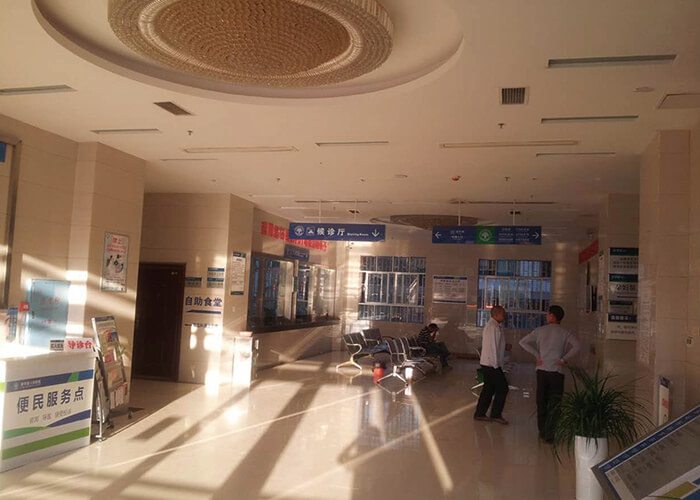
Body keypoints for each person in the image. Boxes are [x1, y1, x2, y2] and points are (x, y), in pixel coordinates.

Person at [519, 305, 580, 442]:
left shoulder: (540, 330)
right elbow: (577, 346)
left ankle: (542, 430)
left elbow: (522, 342)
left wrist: (537, 355)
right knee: (555, 403)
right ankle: (550, 434)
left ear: (552, 316)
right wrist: (563, 359)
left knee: (541, 402)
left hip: (542, 371)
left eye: (548, 314)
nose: (546, 316)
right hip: (557, 372)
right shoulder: (565, 332)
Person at [474, 305, 509, 424]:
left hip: (490, 363)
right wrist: (496, 365)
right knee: (503, 388)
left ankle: (480, 413)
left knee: (488, 389)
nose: (504, 316)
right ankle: (495, 414)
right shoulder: (492, 327)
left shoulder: (496, 326)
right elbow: (492, 346)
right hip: (491, 364)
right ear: (496, 315)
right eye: (503, 314)